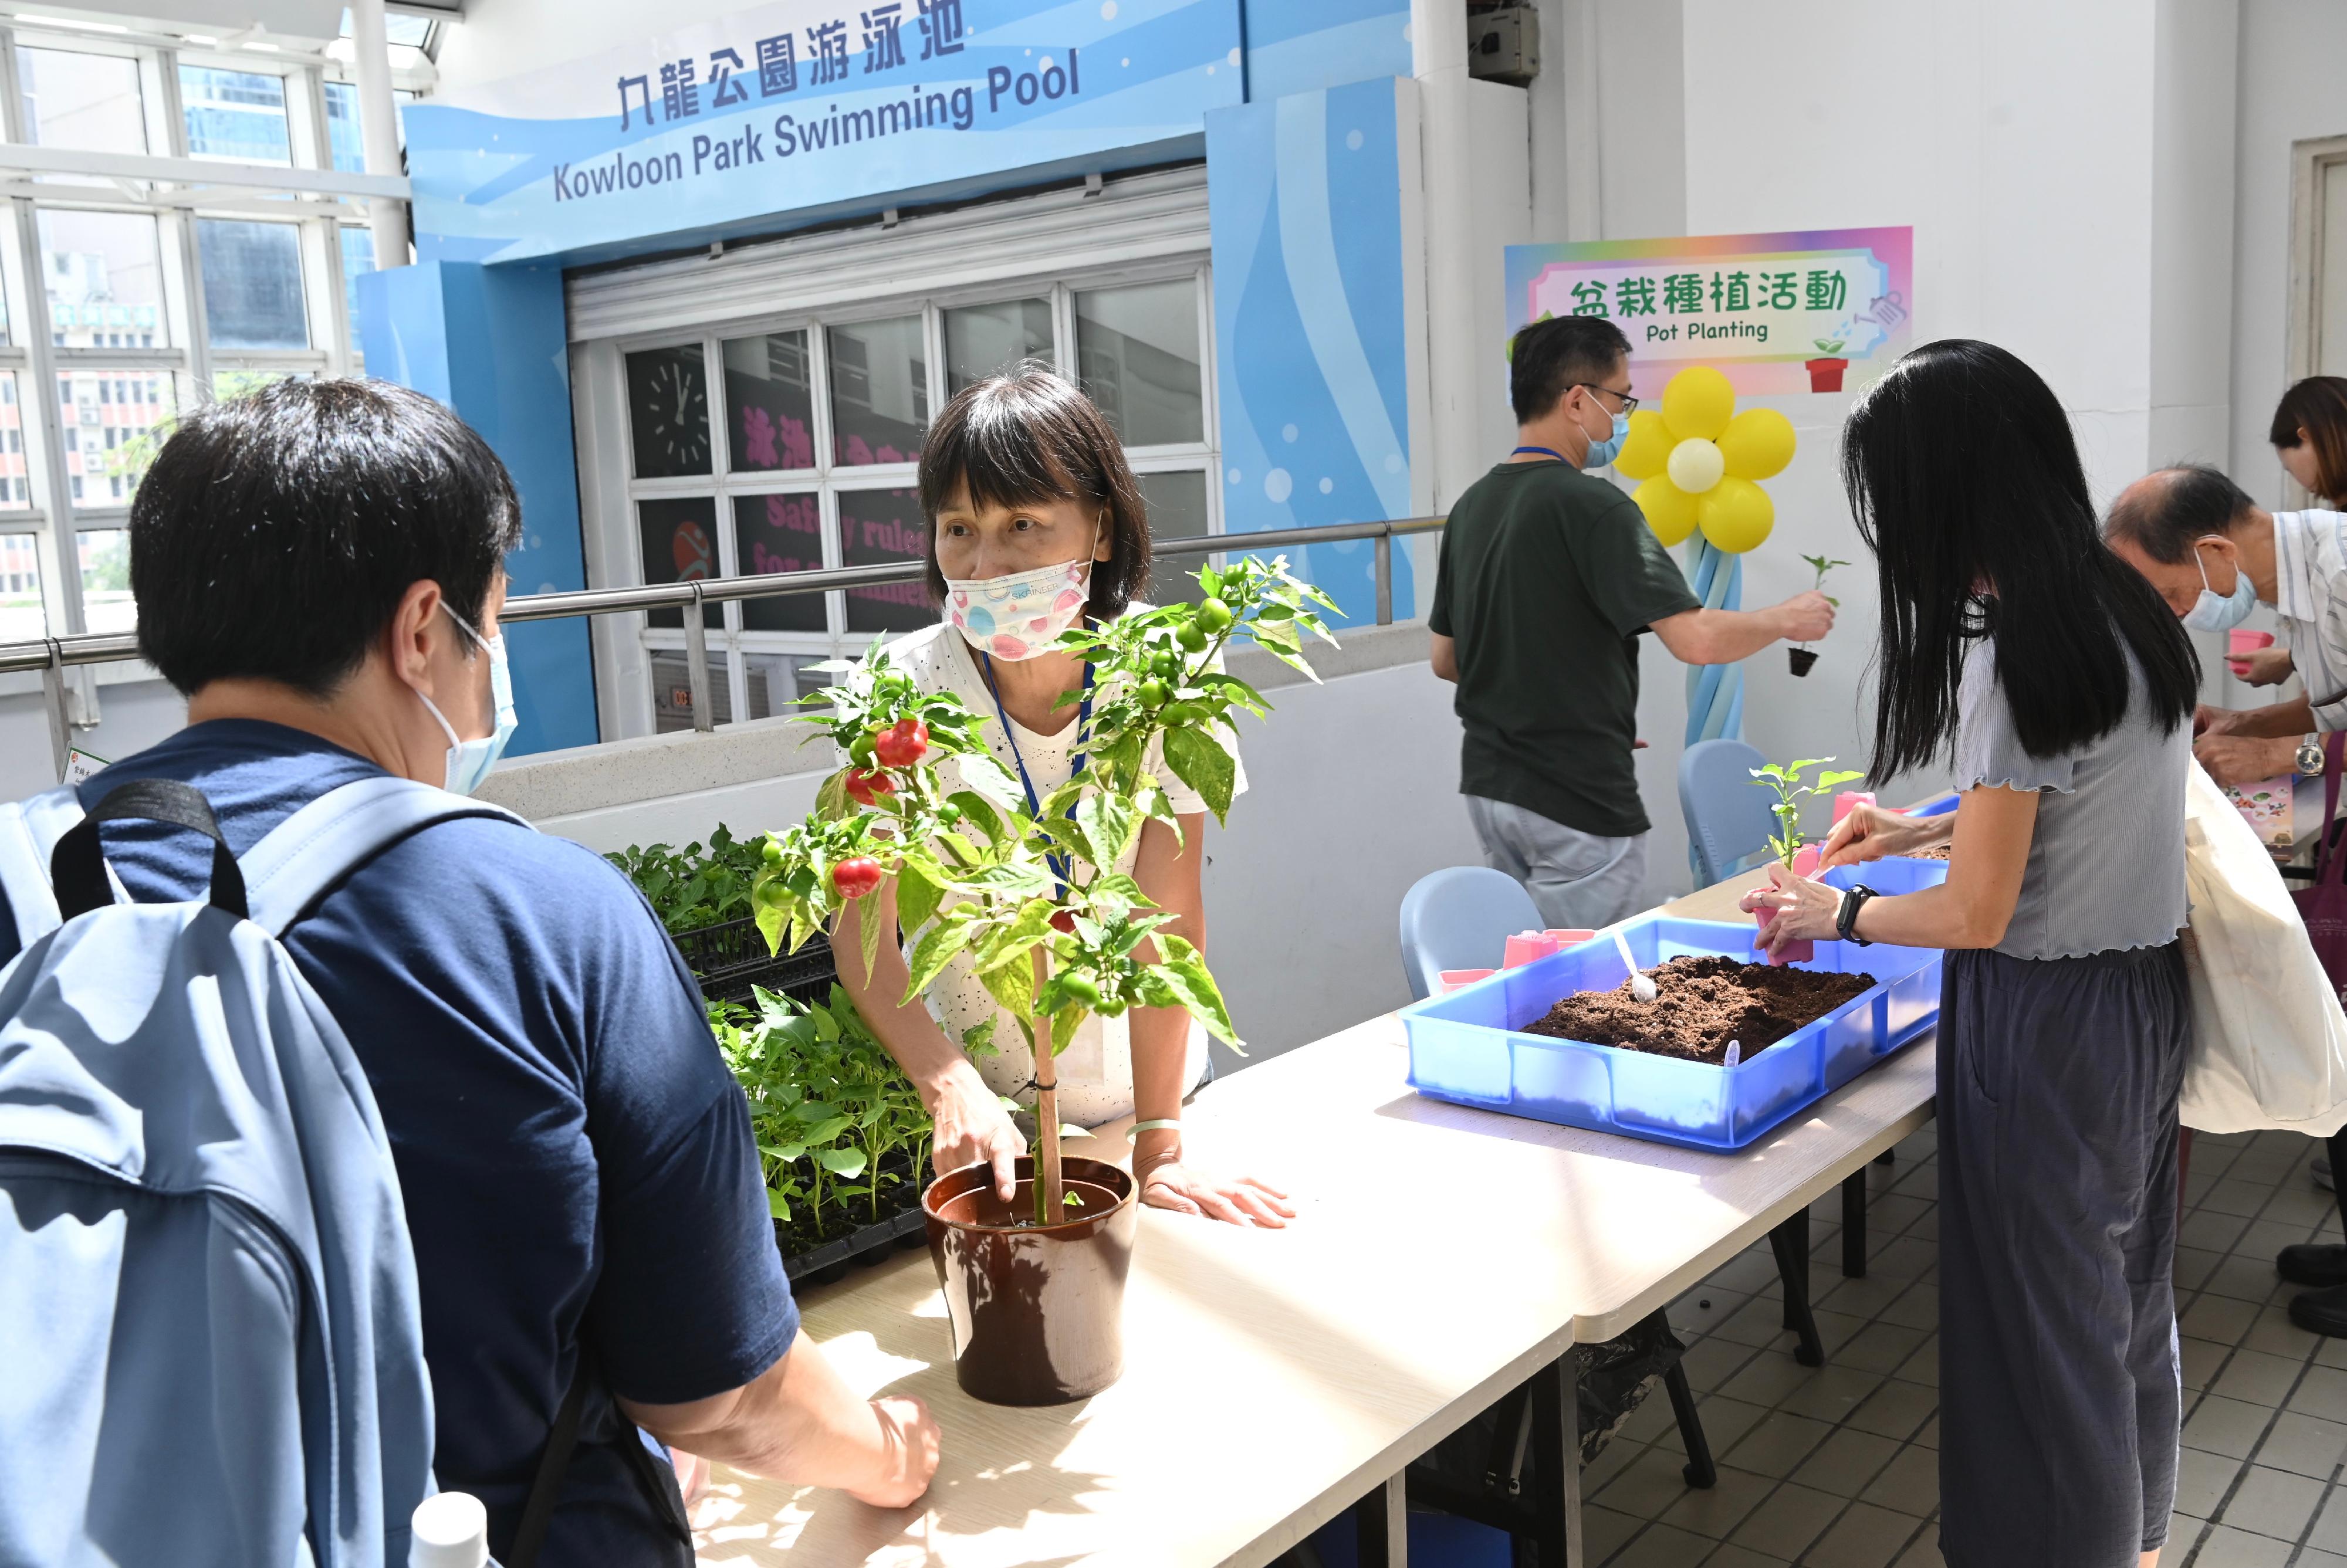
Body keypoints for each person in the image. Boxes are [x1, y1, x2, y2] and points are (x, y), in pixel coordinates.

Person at [6, 381, 938, 1564]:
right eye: (491, 628)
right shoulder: (541, 917)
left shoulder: (18, 887)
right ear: (420, 629)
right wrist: (887, 1450)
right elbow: (725, 1398)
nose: (489, 674)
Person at [1744, 340, 2200, 1568]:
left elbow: (1974, 915)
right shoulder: (2118, 614)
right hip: (2140, 1000)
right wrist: (1910, 825)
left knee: (2036, 1346)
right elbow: (2069, 795)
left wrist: (1826, 913)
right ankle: (2137, 1545)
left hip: (2045, 1022)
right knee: (2118, 1307)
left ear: (1940, 496)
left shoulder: (2016, 657)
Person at [831, 365, 1293, 1229]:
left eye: (1023, 525)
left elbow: (1168, 920)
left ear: (1103, 531)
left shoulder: (1170, 676)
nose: (985, 562)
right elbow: (862, 926)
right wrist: (947, 1082)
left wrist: (1160, 1141)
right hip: (986, 1124)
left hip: (1152, 1099)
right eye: (959, 527)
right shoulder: (899, 693)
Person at [1426, 314, 1835, 927]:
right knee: (1582, 992)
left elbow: (1448, 660)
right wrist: (1782, 619)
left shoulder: (1472, 506)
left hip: (1491, 789)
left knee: (1527, 969)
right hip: (1574, 797)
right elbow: (1694, 641)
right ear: (1576, 400)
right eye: (1621, 398)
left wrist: (1579, 709)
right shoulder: (1594, 507)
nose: (1623, 417)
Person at [2101, 464, 2345, 790]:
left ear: (2215, 550)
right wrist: (2243, 724)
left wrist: (2270, 755)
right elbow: (2336, 707)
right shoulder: (2299, 580)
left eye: (2169, 595)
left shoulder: (2340, 571)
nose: (2174, 615)